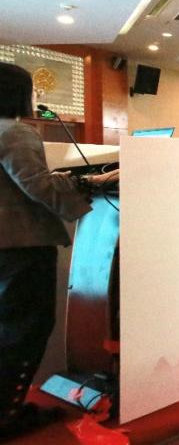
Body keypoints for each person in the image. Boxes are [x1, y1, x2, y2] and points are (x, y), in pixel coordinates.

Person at [0, 64, 113, 438]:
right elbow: (38, 186)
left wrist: (79, 181)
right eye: (32, 90)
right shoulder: (15, 131)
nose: (36, 97)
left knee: (8, 327)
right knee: (26, 330)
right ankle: (7, 414)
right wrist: (92, 183)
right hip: (22, 247)